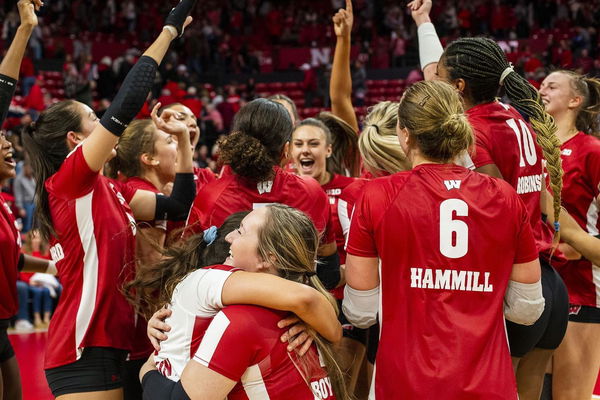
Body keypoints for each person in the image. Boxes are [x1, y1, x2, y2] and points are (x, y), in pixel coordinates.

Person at [21, 1, 198, 398]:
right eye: (92, 118)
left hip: (119, 343)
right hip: (83, 347)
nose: (102, 120)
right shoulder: (70, 180)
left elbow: (179, 206)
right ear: (76, 141)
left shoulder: (113, 191)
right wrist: (168, 32)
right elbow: (125, 103)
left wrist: (184, 141)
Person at [344, 79, 543, 398]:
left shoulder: (377, 197)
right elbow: (527, 308)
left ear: (405, 135)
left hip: (403, 385)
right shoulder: (504, 197)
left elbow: (361, 312)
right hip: (488, 385)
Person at [132, 207, 345, 399]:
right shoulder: (308, 315)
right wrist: (329, 330)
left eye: (241, 231)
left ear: (268, 258)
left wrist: (148, 368)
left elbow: (305, 299)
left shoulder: (239, 315)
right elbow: (308, 302)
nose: (229, 238)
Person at [187, 98, 341, 291]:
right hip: (294, 309)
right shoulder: (311, 192)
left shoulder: (211, 195)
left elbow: (186, 266)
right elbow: (329, 272)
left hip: (225, 311)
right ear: (286, 150)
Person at [107, 106, 193, 400]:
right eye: (168, 142)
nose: (179, 146)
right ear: (149, 159)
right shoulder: (134, 191)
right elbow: (149, 269)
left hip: (150, 324)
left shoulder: (153, 193)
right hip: (139, 328)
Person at [0, 1, 57, 399]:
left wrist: (60, 267)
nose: (7, 143)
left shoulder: (4, 202)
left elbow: (13, 260)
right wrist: (25, 28)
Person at [539, 70, 600, 400]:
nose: (541, 89)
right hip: (532, 288)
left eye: (552, 85)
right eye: (542, 84)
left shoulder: (592, 151)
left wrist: (575, 240)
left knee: (569, 397)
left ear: (575, 101)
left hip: (581, 290)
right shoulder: (531, 149)